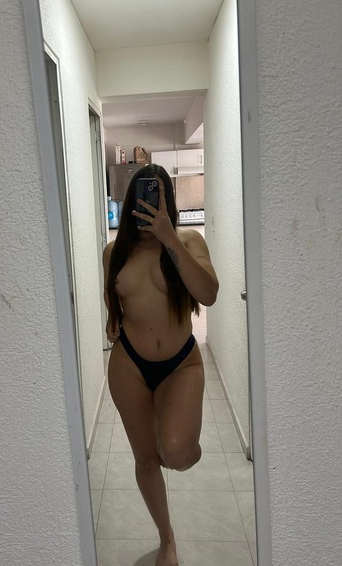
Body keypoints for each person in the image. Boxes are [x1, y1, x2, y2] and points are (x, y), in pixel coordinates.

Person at [103, 164, 219, 566]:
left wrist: (169, 237)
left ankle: (183, 445)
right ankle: (166, 538)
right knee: (146, 459)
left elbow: (209, 293)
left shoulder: (187, 240)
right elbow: (113, 296)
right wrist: (112, 318)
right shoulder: (115, 251)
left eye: (156, 197)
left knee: (177, 453)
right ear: (130, 204)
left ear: (167, 201)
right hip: (129, 366)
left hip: (180, 363)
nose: (148, 205)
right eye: (141, 198)